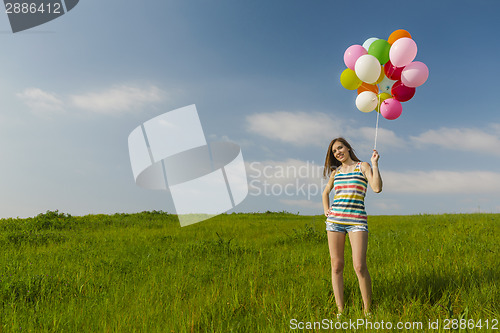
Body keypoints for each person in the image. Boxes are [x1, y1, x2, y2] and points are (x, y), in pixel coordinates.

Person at [322, 137, 382, 318]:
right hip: (335, 222)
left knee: (359, 266)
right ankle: (341, 310)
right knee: (337, 265)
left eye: (340, 148)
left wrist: (375, 164)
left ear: (348, 148)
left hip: (357, 221)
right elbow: (325, 192)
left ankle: (368, 310)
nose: (337, 152)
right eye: (334, 151)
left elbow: (377, 188)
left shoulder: (362, 166)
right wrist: (327, 210)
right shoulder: (336, 172)